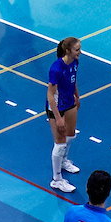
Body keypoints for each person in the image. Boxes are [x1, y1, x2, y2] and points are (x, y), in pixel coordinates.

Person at [44, 35, 82, 194]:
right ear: (68, 50)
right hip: (57, 108)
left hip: (70, 102)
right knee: (59, 143)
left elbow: (73, 80)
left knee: (71, 135)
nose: (80, 52)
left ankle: (64, 161)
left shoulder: (75, 62)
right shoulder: (56, 69)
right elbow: (50, 95)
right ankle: (57, 180)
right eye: (77, 49)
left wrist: (77, 96)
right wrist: (58, 118)